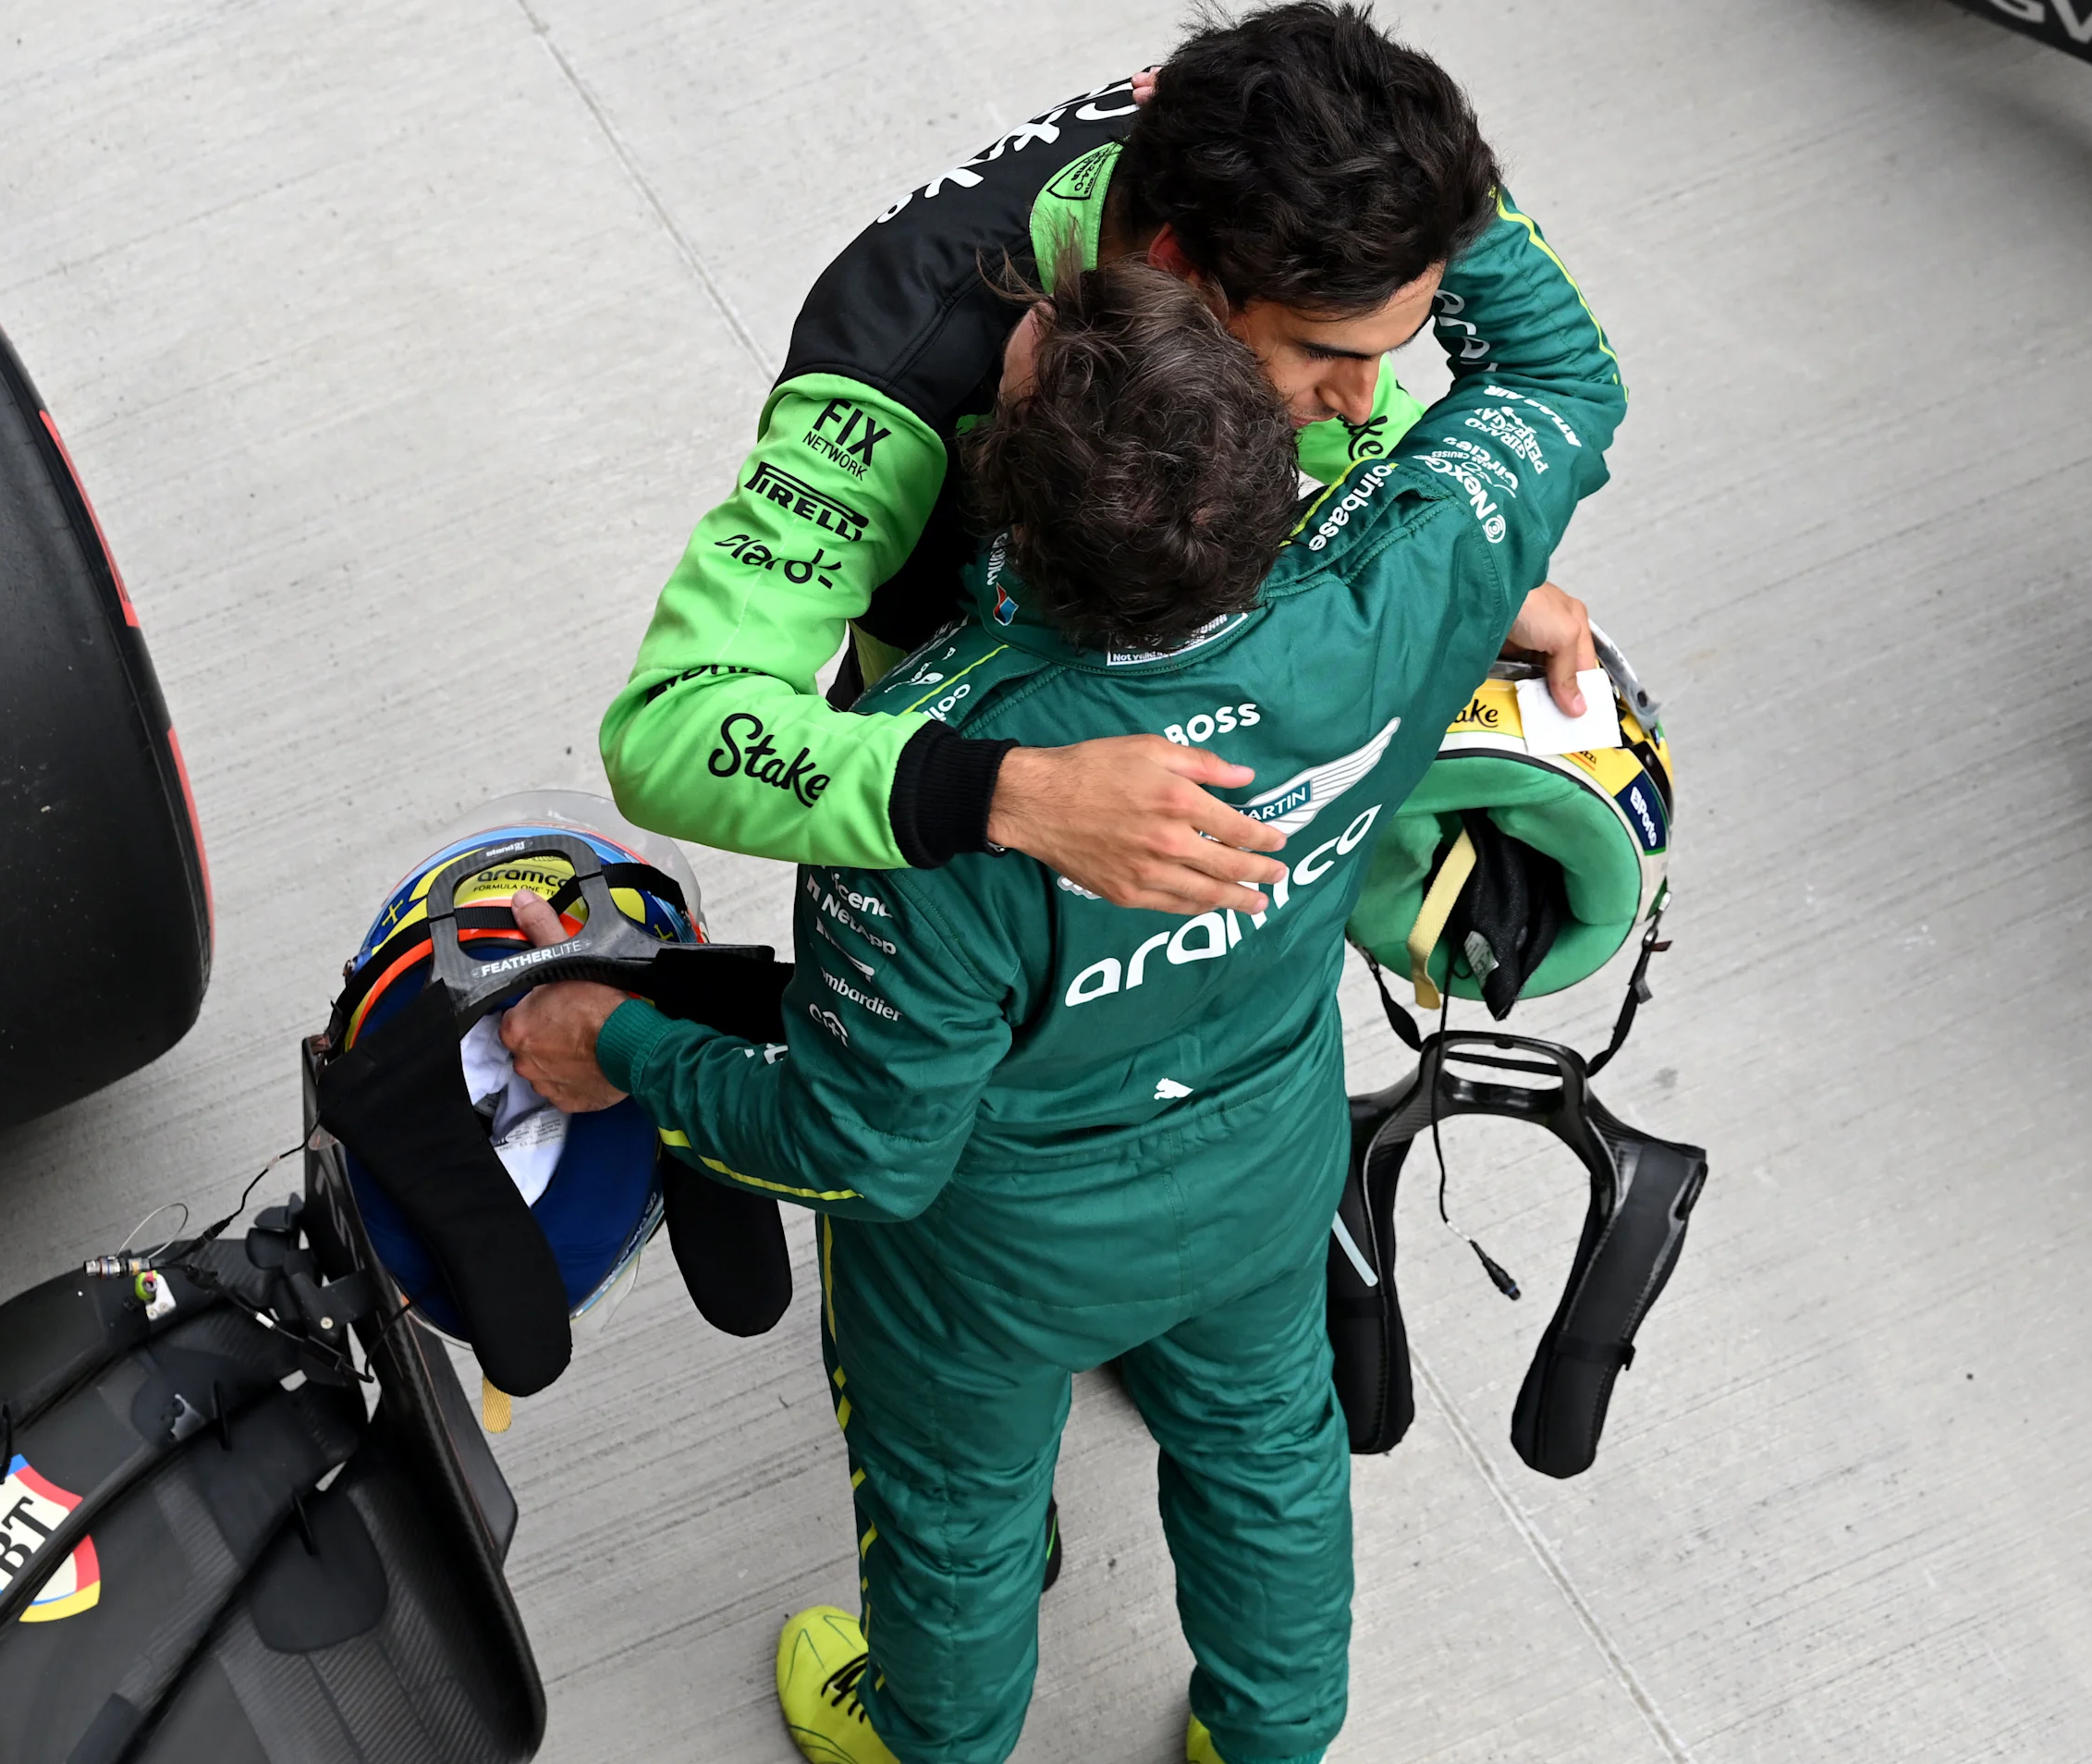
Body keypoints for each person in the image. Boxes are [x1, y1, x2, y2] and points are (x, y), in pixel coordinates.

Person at [504, 175, 1620, 1762]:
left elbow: (859, 1146)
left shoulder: (923, 792)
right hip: (1264, 1161)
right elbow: (1561, 375)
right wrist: (1420, 182)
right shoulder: (1404, 589)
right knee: (1269, 1456)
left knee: (956, 1521)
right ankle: (1270, 1735)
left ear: (999, 508)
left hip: (993, 1259)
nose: (1015, 319)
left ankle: (923, 1738)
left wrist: (612, 1042)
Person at [597, 2, 1622, 916]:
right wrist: (1007, 794)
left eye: (1384, 354)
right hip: (993, 766)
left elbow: (1383, 175)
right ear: (1176, 270)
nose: (1363, 404)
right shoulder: (889, 375)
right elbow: (675, 731)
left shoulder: (1226, 137)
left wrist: (1455, 554)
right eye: (1323, 354)